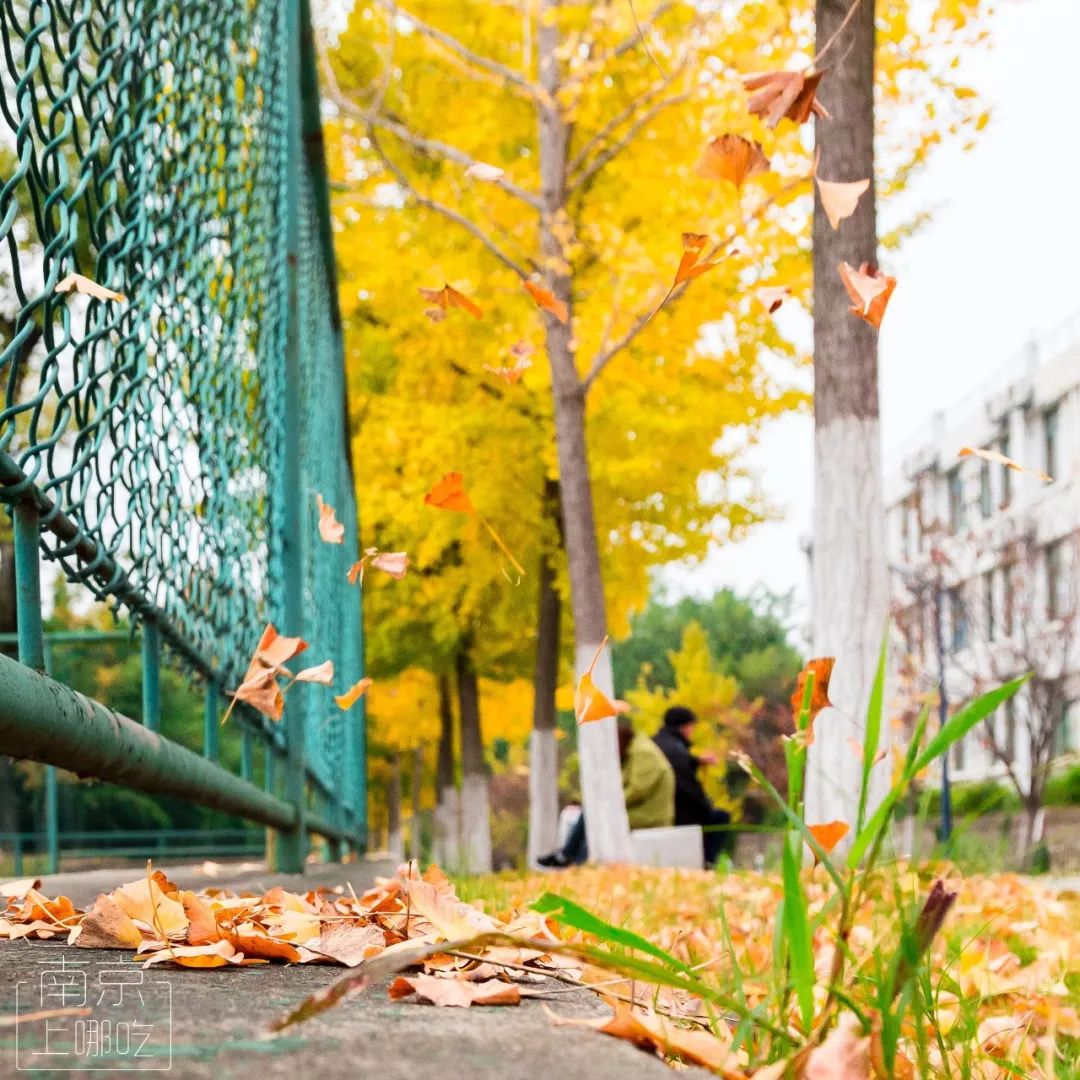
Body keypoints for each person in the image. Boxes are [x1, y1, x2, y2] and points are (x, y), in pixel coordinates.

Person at [537, 716, 675, 868]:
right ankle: (571, 858)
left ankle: (571, 859)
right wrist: (583, 800)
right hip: (637, 810)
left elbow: (638, 790)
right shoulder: (631, 753)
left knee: (597, 818)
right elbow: (609, 786)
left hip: (649, 814)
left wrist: (607, 805)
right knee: (593, 816)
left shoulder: (643, 753)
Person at [652, 704, 731, 866]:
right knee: (719, 818)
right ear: (684, 726)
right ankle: (707, 862)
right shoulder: (676, 749)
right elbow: (686, 785)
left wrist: (696, 761)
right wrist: (706, 806)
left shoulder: (659, 742)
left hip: (660, 805)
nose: (692, 731)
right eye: (691, 726)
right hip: (674, 812)